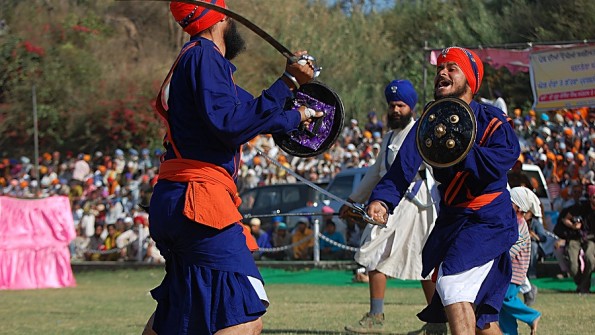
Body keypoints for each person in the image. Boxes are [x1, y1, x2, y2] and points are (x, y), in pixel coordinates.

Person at [143, 2, 320, 334]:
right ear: (221, 16)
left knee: (177, 309)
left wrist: (299, 115)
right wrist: (288, 81)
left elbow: (247, 111)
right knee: (245, 317)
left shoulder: (193, 60)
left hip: (177, 199)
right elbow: (233, 123)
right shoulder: (205, 56)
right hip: (198, 203)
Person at [366, 47, 521, 334]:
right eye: (440, 68)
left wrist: (461, 145)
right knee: (482, 322)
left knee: (451, 284)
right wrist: (382, 201)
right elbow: (403, 166)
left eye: (452, 68)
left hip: (488, 220)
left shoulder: (492, 120)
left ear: (471, 80)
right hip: (453, 221)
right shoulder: (429, 120)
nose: (442, 72)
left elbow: (506, 157)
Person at [341, 79, 444, 334]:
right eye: (392, 105)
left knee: (426, 265)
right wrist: (353, 201)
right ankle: (376, 316)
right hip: (388, 206)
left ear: (410, 107)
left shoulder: (422, 132)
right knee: (372, 251)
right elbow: (376, 173)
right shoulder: (387, 138)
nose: (395, 110)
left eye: (400, 105)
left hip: (419, 206)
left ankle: (436, 323)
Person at [500, 187, 541, 335]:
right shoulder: (512, 221)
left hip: (514, 272)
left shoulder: (520, 225)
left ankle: (532, 316)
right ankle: (509, 332)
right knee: (502, 308)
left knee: (505, 298)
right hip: (507, 271)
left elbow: (511, 251)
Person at [554, 184, 595, 293]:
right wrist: (573, 226)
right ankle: (582, 284)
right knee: (572, 264)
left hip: (591, 239)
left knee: (590, 259)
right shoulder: (581, 206)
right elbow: (565, 219)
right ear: (590, 197)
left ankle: (583, 287)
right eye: (594, 197)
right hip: (575, 238)